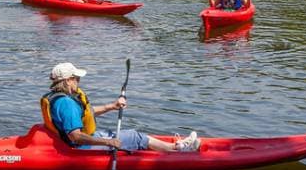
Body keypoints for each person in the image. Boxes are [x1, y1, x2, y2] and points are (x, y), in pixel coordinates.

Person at [40, 63, 201, 152]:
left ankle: (172, 147)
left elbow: (86, 113)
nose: (78, 82)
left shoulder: (60, 98)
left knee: (129, 135)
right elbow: (76, 137)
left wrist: (112, 106)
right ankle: (178, 149)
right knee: (134, 136)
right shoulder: (66, 104)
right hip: (81, 146)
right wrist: (107, 143)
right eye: (76, 79)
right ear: (68, 80)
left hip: (80, 140)